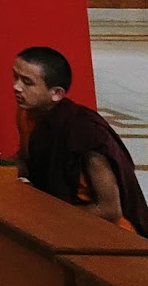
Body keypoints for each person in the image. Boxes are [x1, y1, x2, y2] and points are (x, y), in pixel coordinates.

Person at [13, 46, 148, 235]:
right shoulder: (27, 115)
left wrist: (47, 217)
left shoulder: (86, 133)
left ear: (57, 94)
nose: (16, 87)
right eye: (15, 77)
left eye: (27, 82)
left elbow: (110, 210)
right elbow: (25, 160)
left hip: (110, 234)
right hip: (58, 220)